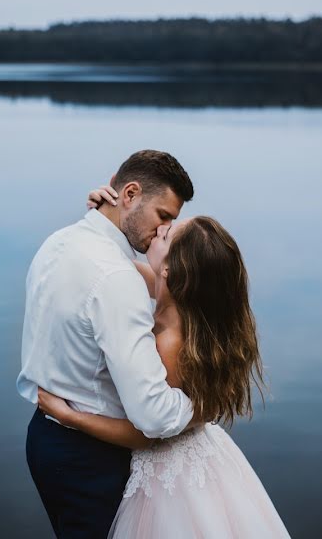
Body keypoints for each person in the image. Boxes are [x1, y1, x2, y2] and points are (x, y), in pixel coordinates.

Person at [37, 190, 291, 538]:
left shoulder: (169, 342)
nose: (161, 229)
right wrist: (106, 215)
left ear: (171, 269)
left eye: (168, 235)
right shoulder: (177, 300)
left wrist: (71, 417)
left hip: (168, 482)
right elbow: (112, 261)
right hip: (207, 458)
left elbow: (145, 434)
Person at [17, 150, 198, 538]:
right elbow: (154, 416)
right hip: (92, 456)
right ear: (130, 193)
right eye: (163, 216)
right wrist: (202, 407)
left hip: (45, 438)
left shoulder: (59, 242)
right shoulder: (116, 277)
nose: (163, 229)